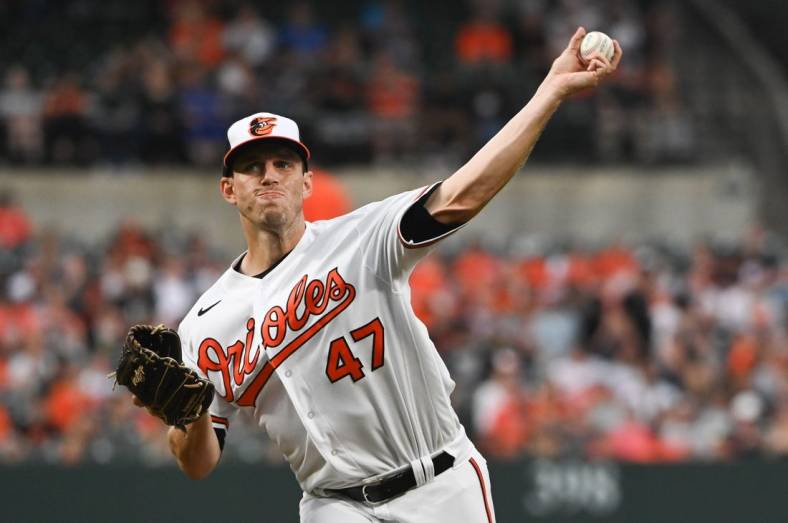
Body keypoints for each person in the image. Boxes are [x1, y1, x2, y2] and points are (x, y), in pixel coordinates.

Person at [140, 27, 621, 523]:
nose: (268, 175)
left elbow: (463, 195)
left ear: (307, 182)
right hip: (333, 505)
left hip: (440, 483)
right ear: (228, 188)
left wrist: (550, 92)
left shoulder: (363, 238)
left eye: (283, 163)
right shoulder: (205, 323)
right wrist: (188, 416)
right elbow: (197, 462)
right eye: (251, 166)